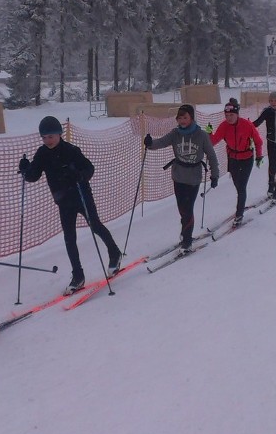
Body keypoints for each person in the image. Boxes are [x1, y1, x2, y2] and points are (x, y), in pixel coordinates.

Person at [18, 115, 122, 294]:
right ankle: (78, 275)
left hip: (81, 195)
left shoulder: (71, 150)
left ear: (59, 134)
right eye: (44, 137)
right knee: (69, 237)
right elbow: (33, 176)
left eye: (51, 136)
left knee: (95, 226)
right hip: (63, 200)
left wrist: (80, 175)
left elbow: (89, 167)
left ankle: (114, 253)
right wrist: (25, 170)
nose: (47, 140)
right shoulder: (42, 153)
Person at [144, 103, 219, 251]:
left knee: (187, 208)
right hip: (178, 176)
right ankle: (186, 234)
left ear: (191, 118)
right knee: (182, 208)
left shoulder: (201, 135)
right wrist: (150, 143)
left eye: (185, 118)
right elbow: (161, 142)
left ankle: (187, 239)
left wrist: (214, 175)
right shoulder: (175, 133)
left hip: (194, 177)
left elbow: (211, 155)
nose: (182, 121)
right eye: (180, 118)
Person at [209, 98, 264, 225]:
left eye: (231, 115)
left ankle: (239, 214)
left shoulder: (246, 124)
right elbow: (213, 141)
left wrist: (259, 156)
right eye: (227, 115)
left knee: (241, 187)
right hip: (233, 159)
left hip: (246, 158)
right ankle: (240, 207)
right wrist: (209, 133)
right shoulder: (224, 126)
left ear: (237, 114)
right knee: (237, 185)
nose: (229, 118)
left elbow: (258, 141)